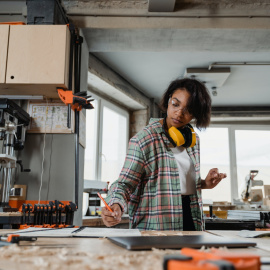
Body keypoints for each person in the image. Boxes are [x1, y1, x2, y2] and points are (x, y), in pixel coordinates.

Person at [101, 78, 227, 231]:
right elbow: (124, 184)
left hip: (192, 221)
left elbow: (178, 181)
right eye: (175, 104)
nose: (179, 113)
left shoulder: (193, 141)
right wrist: (115, 205)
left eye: (188, 110)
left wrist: (205, 184)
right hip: (155, 227)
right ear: (168, 101)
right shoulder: (143, 140)